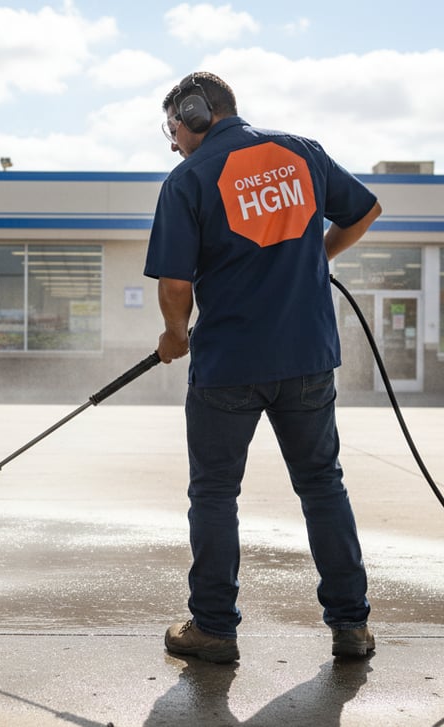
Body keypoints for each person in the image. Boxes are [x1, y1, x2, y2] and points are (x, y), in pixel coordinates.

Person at [144, 71, 382, 664]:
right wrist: (315, 257)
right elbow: (366, 209)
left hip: (228, 367)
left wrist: (174, 336)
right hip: (307, 360)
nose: (172, 142)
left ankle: (214, 631)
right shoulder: (301, 153)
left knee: (216, 494)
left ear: (193, 114)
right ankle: (351, 626)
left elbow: (176, 284)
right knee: (323, 487)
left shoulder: (187, 180)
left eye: (171, 128)